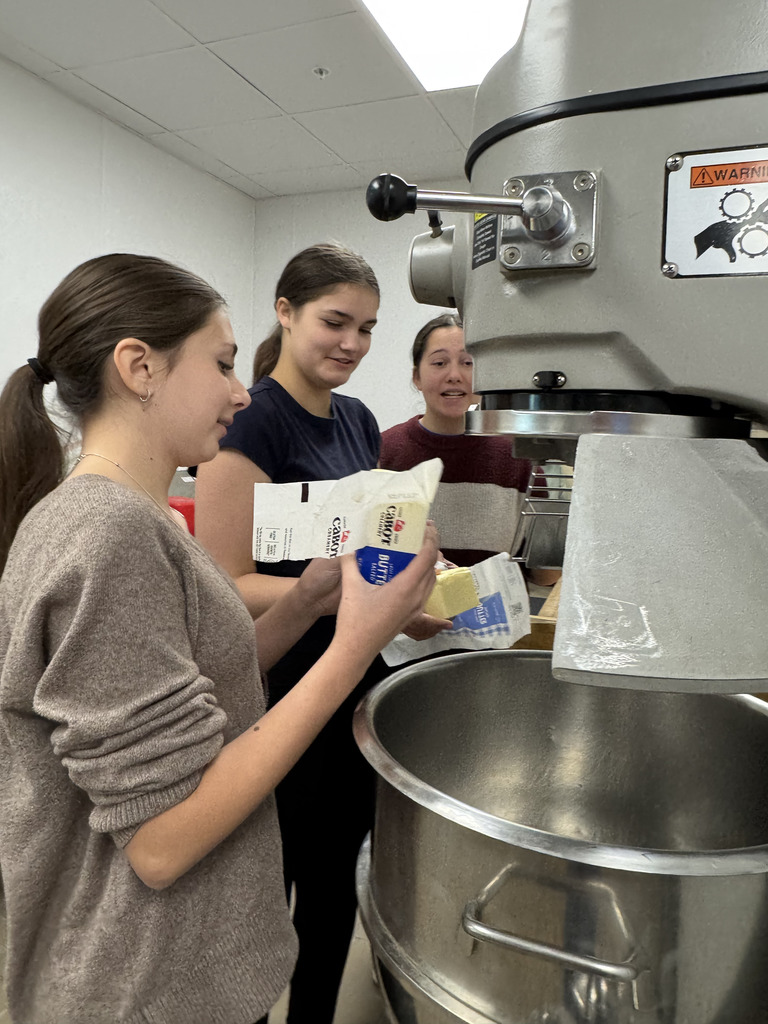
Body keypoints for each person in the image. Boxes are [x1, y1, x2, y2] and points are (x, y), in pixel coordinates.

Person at [0, 253, 439, 1024]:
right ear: (139, 367)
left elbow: (199, 685)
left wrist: (305, 604)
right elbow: (163, 842)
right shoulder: (108, 536)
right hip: (140, 981)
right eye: (225, 364)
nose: (242, 390)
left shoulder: (147, 519)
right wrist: (354, 644)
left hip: (174, 963)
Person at [194, 243, 449, 1024]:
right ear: (285, 312)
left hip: (350, 681)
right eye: (335, 322)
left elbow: (366, 548)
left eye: (368, 329)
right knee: (263, 892)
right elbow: (226, 584)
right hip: (276, 689)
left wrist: (402, 594)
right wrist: (351, 598)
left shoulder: (359, 419)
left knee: (337, 882)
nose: (352, 343)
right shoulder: (250, 422)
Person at [380, 313, 540, 566]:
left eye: (468, 362)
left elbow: (545, 574)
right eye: (439, 363)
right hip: (403, 606)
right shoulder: (382, 452)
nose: (454, 375)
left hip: (495, 606)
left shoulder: (522, 458)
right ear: (416, 377)